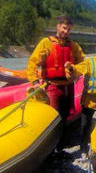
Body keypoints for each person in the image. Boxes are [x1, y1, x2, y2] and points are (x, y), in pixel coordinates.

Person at [27, 15, 85, 146]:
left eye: (69, 30)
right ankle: (51, 147)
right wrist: (35, 82)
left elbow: (83, 62)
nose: (66, 31)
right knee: (53, 117)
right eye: (64, 28)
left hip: (68, 86)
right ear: (58, 26)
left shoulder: (74, 46)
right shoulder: (46, 43)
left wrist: (76, 71)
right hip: (52, 87)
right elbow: (33, 63)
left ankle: (61, 146)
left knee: (65, 116)